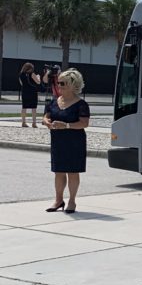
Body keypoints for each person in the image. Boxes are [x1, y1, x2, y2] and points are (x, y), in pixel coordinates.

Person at [42, 69, 90, 213]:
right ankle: (58, 200)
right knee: (58, 171)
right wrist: (47, 122)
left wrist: (67, 125)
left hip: (75, 142)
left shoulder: (81, 104)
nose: (59, 85)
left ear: (73, 85)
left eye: (63, 83)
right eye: (58, 83)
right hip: (58, 141)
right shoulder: (53, 101)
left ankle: (72, 201)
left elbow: (84, 123)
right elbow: (45, 116)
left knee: (73, 172)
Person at [18, 62, 42, 128]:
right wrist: (38, 77)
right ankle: (34, 123)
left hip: (24, 92)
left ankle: (23, 122)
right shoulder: (32, 74)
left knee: (24, 107)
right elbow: (38, 82)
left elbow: (21, 83)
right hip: (32, 92)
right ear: (30, 68)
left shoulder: (21, 74)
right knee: (33, 108)